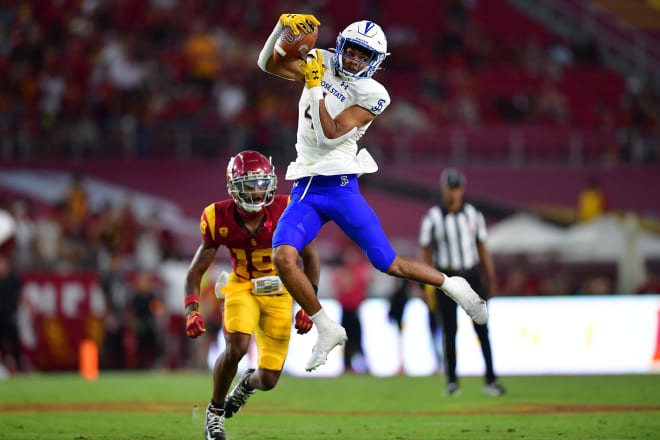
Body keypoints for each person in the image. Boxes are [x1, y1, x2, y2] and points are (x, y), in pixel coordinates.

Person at [257, 14, 488, 373]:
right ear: (341, 46)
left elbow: (328, 135)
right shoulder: (320, 61)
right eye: (351, 51)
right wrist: (280, 28)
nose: (353, 60)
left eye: (363, 57)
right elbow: (267, 64)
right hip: (305, 186)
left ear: (375, 62)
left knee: (388, 263)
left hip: (340, 186)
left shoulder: (374, 94)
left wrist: (316, 85)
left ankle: (452, 285)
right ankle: (326, 327)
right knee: (283, 257)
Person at [183, 150, 318, 440]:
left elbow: (310, 258)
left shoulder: (285, 208)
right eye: (250, 185)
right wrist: (192, 309)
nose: (258, 192)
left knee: (268, 380)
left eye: (262, 184)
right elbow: (195, 272)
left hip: (279, 292)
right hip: (242, 286)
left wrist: (310, 306)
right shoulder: (217, 216)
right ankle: (215, 412)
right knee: (237, 347)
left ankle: (246, 386)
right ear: (233, 187)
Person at [419, 168, 505, 397]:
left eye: (456, 188)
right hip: (446, 278)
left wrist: (491, 278)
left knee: (482, 328)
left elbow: (482, 248)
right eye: (450, 188)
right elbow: (425, 254)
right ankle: (452, 381)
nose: (453, 193)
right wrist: (423, 286)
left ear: (462, 189)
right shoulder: (433, 218)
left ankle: (491, 379)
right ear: (443, 189)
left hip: (472, 274)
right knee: (449, 331)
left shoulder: (473, 215)